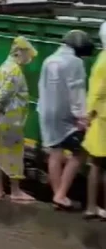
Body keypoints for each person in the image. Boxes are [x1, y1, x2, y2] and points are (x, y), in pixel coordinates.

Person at [38, 30, 93, 211]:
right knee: (81, 151)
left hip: (46, 111)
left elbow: (42, 86)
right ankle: (61, 194)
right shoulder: (74, 62)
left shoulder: (49, 60)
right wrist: (82, 116)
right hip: (64, 114)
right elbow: (76, 91)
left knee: (55, 152)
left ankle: (58, 196)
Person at [0, 36, 37, 202]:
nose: (28, 58)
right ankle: (16, 191)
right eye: (27, 54)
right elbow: (5, 94)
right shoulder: (14, 70)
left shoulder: (2, 68)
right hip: (11, 118)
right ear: (19, 53)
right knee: (14, 153)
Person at [83, 22, 106, 219]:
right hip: (102, 120)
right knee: (98, 164)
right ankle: (93, 207)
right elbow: (98, 92)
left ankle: (92, 206)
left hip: (101, 118)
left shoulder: (102, 59)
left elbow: (95, 93)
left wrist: (88, 115)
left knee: (96, 164)